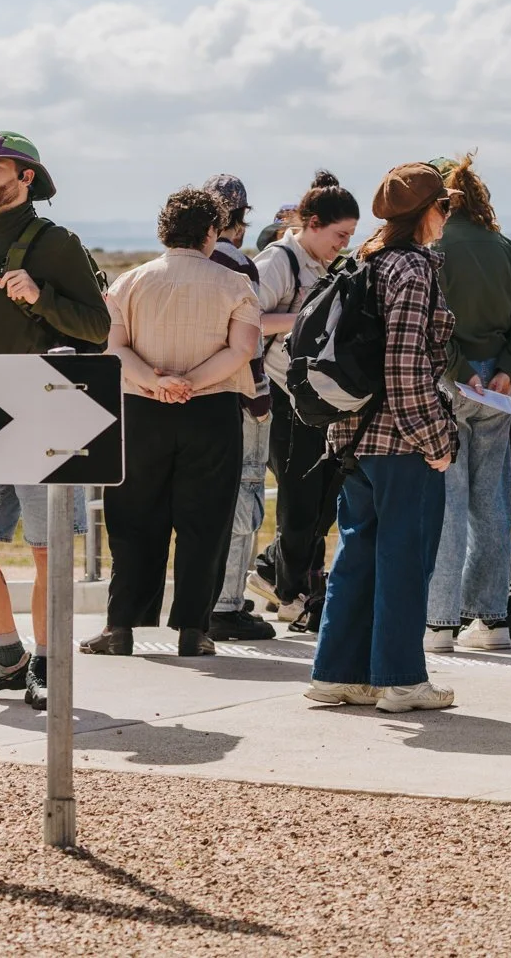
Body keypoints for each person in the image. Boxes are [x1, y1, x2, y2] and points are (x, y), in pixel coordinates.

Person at [0, 130, 110, 707]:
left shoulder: (58, 243)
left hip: (44, 409)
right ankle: (6, 653)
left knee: (48, 547)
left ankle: (46, 659)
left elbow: (98, 328)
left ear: (26, 178)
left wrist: (40, 297)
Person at [306, 163, 459, 714]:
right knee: (405, 556)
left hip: (352, 437)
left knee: (358, 552)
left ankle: (337, 673)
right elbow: (405, 367)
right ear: (429, 211)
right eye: (447, 206)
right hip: (401, 440)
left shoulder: (365, 261)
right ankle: (400, 679)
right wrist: (435, 438)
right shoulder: (415, 270)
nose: (449, 216)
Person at [82, 188, 261, 657]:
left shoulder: (129, 282)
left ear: (165, 230)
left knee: (133, 518)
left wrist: (157, 382)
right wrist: (192, 383)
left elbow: (115, 349)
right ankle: (193, 631)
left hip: (141, 409)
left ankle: (120, 626)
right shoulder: (235, 284)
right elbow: (242, 349)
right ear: (210, 232)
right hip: (213, 411)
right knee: (206, 523)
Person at [424, 153, 511, 653]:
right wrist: (506, 371)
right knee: (492, 502)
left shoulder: (432, 249)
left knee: (447, 503)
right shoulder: (509, 249)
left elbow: (432, 322)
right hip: (499, 389)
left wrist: (459, 370)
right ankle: (492, 620)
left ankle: (438, 623)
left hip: (449, 384)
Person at [248, 170, 362, 628]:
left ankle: (283, 576)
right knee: (299, 500)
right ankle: (290, 588)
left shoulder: (327, 265)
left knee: (323, 498)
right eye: (339, 235)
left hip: (316, 398)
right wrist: (305, 318)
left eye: (351, 237)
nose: (344, 244)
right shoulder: (277, 263)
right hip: (280, 395)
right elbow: (246, 320)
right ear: (311, 224)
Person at [201, 174, 279, 643]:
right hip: (239, 395)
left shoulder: (184, 261)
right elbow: (249, 344)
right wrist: (262, 400)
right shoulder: (237, 266)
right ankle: (227, 604)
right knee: (245, 490)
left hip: (194, 396)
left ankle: (206, 599)